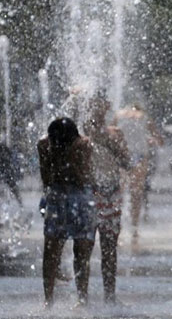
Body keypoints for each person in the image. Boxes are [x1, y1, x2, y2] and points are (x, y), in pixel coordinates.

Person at [38, 117, 94, 308]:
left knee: (82, 250)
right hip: (57, 195)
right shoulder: (44, 145)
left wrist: (71, 158)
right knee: (51, 249)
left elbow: (83, 178)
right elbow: (46, 178)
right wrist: (54, 160)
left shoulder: (84, 145)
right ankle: (48, 300)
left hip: (81, 196)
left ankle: (82, 299)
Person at [83, 95, 131, 304]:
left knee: (109, 247)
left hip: (111, 195)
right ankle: (82, 298)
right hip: (87, 195)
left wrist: (111, 143)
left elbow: (127, 162)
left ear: (107, 106)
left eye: (100, 104)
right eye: (93, 104)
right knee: (83, 247)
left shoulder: (115, 134)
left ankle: (109, 296)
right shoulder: (80, 135)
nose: (97, 108)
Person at [115, 103, 163, 243]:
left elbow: (110, 133)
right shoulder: (145, 117)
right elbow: (160, 140)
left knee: (119, 193)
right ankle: (134, 228)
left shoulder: (119, 115)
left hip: (123, 155)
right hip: (140, 157)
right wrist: (152, 140)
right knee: (136, 193)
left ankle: (116, 224)